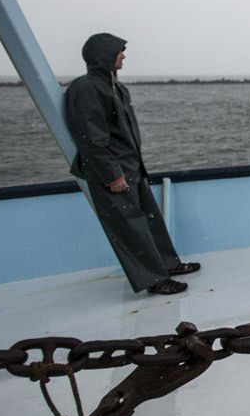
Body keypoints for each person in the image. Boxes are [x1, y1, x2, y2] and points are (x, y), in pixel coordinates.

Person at [64, 33, 199, 294]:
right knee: (129, 226)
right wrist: (111, 174)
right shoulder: (86, 89)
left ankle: (167, 264)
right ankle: (154, 279)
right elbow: (91, 138)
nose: (123, 56)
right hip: (113, 171)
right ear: (103, 55)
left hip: (132, 167)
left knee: (149, 219)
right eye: (119, 51)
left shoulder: (115, 87)